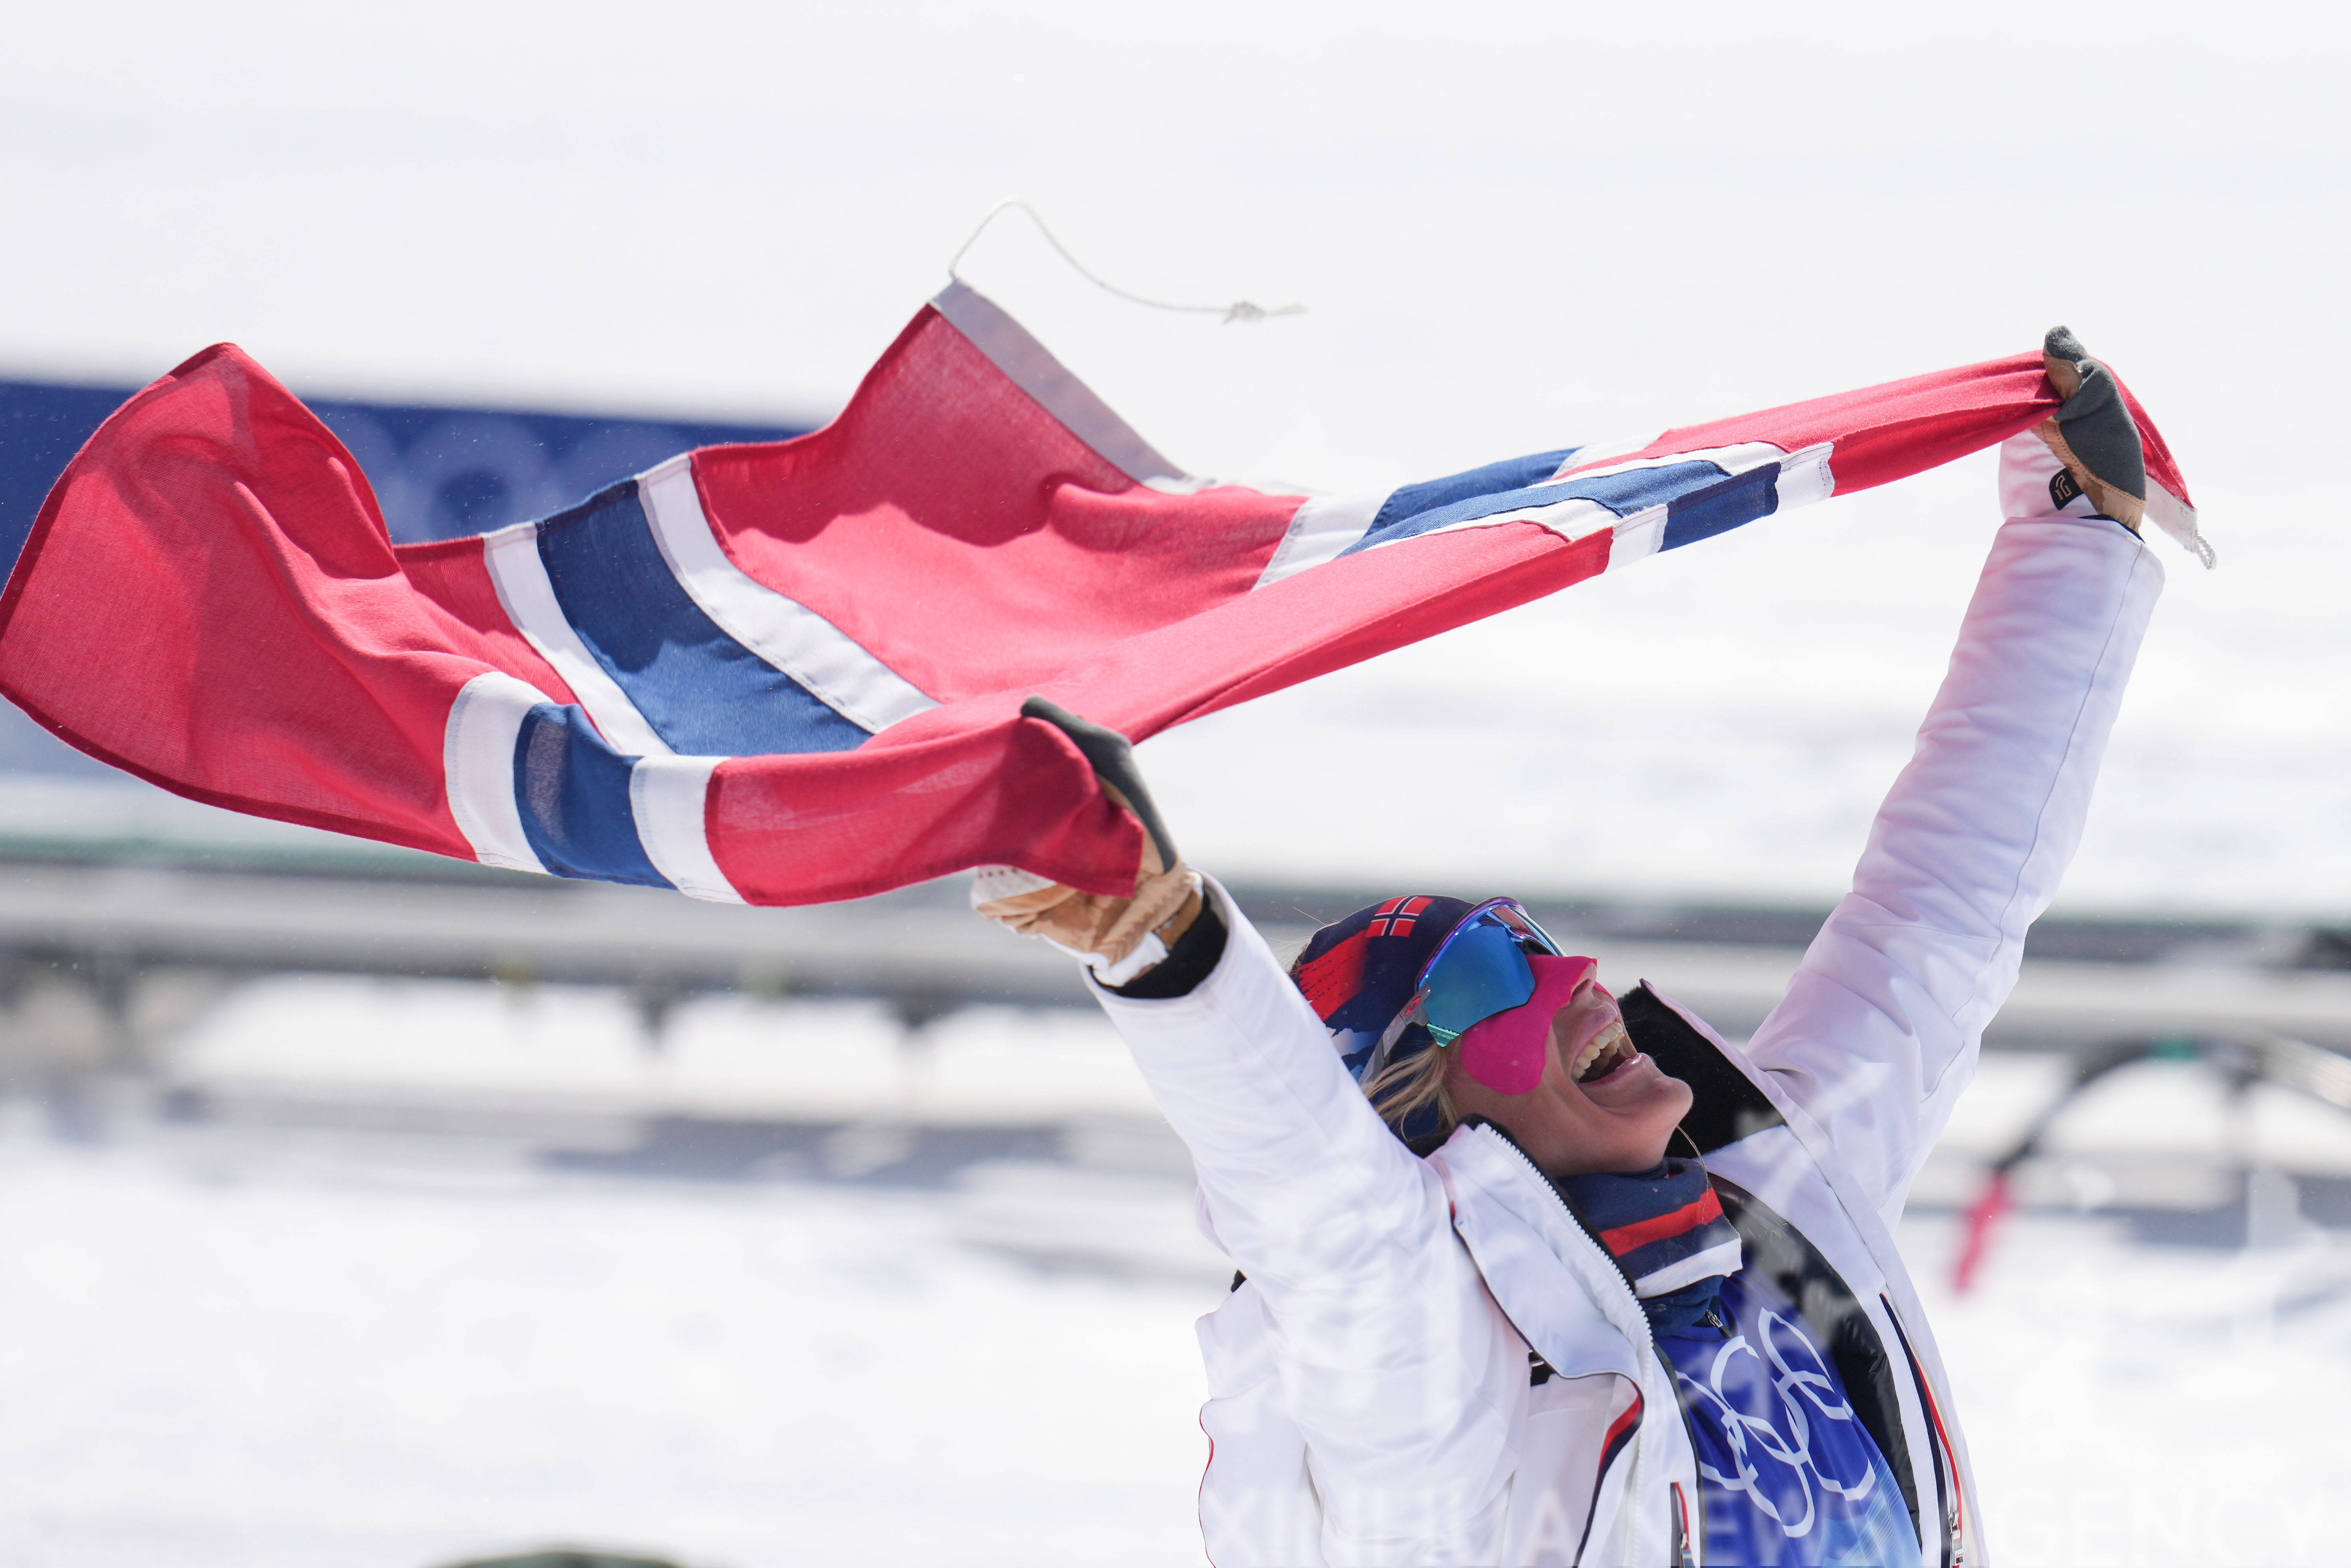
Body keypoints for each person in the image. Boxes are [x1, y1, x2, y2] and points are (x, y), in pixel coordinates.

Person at [975, 329, 2165, 1566]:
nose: (1569, 976)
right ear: (1414, 1118)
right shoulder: (1440, 1410)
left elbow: (1941, 916)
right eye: (1487, 978)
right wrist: (1165, 954)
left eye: (1533, 941)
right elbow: (1318, 1213)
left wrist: (2078, 538)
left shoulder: (1772, 1203)